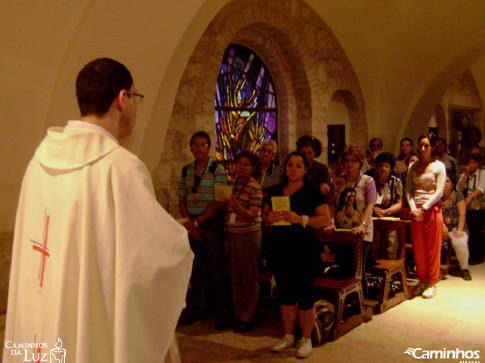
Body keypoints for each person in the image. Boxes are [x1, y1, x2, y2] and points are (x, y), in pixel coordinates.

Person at [2, 58, 193, 362]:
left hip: (42, 313)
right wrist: (181, 239)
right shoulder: (120, 168)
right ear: (122, 99)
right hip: (87, 320)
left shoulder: (39, 161)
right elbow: (156, 261)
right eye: (135, 97)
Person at [263, 151, 330, 359]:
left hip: (304, 249)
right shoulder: (275, 191)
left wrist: (302, 219)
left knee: (304, 295)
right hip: (280, 247)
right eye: (290, 165)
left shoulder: (312, 193)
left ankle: (306, 338)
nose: (293, 169)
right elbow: (264, 214)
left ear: (306, 169)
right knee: (285, 294)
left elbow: (325, 218)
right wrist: (269, 217)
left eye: (298, 166)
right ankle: (288, 335)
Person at [177, 131, 232, 329]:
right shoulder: (186, 171)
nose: (199, 148)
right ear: (190, 148)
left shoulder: (217, 170)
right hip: (193, 224)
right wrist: (190, 223)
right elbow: (182, 199)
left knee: (216, 268)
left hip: (211, 223)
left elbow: (219, 201)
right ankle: (197, 309)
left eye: (203, 145)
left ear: (209, 148)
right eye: (195, 145)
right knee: (195, 269)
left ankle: (222, 314)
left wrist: (198, 222)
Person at [327, 145, 376, 297]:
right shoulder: (337, 181)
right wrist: (331, 222)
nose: (349, 164)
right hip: (342, 231)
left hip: (361, 232)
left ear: (359, 162)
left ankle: (363, 301)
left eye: (353, 161)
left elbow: (370, 205)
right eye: (346, 161)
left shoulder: (367, 181)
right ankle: (347, 300)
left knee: (358, 269)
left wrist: (363, 224)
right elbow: (331, 204)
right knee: (344, 267)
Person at [225, 151, 263, 333]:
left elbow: (253, 215)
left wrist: (237, 207)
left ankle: (249, 316)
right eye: (240, 163)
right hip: (232, 233)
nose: (242, 167)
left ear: (253, 167)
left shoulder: (255, 187)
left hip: (248, 234)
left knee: (249, 276)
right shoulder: (231, 183)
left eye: (246, 164)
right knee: (235, 275)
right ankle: (238, 313)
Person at [405, 133, 446, 299]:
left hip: (432, 210)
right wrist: (414, 208)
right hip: (416, 212)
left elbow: (439, 191)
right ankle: (422, 279)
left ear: (433, 147)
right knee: (419, 249)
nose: (423, 149)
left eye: (426, 146)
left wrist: (425, 208)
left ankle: (432, 282)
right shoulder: (412, 166)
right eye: (421, 145)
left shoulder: (439, 166)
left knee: (432, 248)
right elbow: (408, 190)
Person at [371, 152, 403, 259]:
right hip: (372, 218)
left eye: (386, 166)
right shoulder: (370, 180)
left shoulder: (395, 182)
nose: (383, 169)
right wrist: (373, 208)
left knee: (389, 249)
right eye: (381, 166)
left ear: (391, 169)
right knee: (374, 248)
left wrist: (386, 211)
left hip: (389, 218)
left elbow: (400, 203)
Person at [441, 173, 472, 280]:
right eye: (443, 181)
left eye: (447, 181)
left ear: (453, 184)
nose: (444, 183)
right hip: (441, 228)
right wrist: (442, 226)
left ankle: (464, 268)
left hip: (456, 227)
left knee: (460, 241)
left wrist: (459, 229)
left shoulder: (457, 195)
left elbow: (462, 214)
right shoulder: (437, 196)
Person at [457, 151, 485, 265]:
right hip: (466, 207)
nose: (471, 165)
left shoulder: (482, 173)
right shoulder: (464, 175)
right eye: (469, 162)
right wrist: (466, 175)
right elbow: (459, 187)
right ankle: (469, 254)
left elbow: (481, 188)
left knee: (476, 231)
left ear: (478, 163)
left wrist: (470, 197)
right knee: (468, 231)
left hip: (478, 206)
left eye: (474, 162)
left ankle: (478, 255)